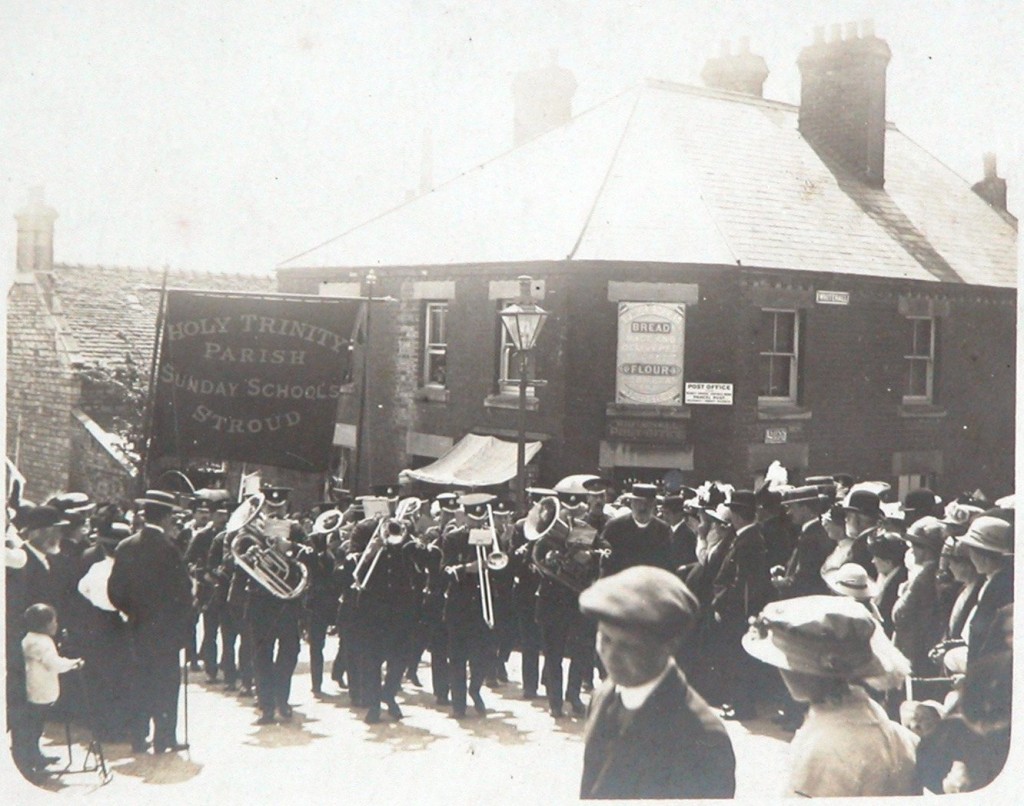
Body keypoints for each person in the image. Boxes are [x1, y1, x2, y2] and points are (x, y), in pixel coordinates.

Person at [578, 566, 736, 799]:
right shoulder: (603, 695)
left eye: (629, 646)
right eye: (605, 639)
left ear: (669, 645)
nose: (610, 656)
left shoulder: (702, 737)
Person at [743, 595, 920, 797]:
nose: (781, 673)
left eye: (788, 665)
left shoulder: (826, 746)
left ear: (808, 671)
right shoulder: (883, 725)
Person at [107, 489, 193, 753]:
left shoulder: (125, 546)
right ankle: (164, 738)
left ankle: (138, 737)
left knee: (139, 681)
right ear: (166, 517)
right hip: (166, 632)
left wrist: (134, 613)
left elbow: (114, 592)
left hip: (137, 627)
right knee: (166, 684)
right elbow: (183, 593)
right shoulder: (170, 549)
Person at [711, 490, 772, 720]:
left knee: (738, 659)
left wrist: (721, 603)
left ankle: (742, 706)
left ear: (736, 515)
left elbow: (741, 581)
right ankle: (740, 703)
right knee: (738, 659)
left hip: (738, 611)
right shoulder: (749, 536)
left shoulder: (748, 540)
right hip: (742, 608)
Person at [12, 603, 84, 780]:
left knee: (35, 727)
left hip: (34, 690)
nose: (56, 625)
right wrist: (73, 663)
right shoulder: (42, 642)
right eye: (54, 621)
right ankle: (30, 759)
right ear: (44, 625)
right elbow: (53, 663)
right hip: (39, 691)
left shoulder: (29, 638)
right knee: (34, 727)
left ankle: (34, 755)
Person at [956, 515, 1013, 668]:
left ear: (982, 555)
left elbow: (986, 639)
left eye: (971, 550)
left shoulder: (999, 587)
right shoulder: (994, 581)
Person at [892, 516, 945, 673]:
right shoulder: (930, 572)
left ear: (927, 549)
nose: (911, 549)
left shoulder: (926, 575)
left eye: (915, 544)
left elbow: (901, 613)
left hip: (915, 645)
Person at [771, 484, 832, 599]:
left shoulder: (811, 538)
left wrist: (779, 582)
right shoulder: (813, 532)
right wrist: (786, 569)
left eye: (792, 508)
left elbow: (804, 579)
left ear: (804, 509)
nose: (788, 512)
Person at [599, 483, 672, 575]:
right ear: (632, 503)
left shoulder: (663, 530)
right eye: (638, 502)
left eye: (647, 503)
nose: (643, 507)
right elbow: (605, 560)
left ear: (654, 504)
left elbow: (668, 563)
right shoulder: (615, 527)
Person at [867, 531, 908, 637]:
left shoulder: (897, 584)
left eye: (876, 558)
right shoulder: (887, 575)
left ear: (888, 562)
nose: (873, 561)